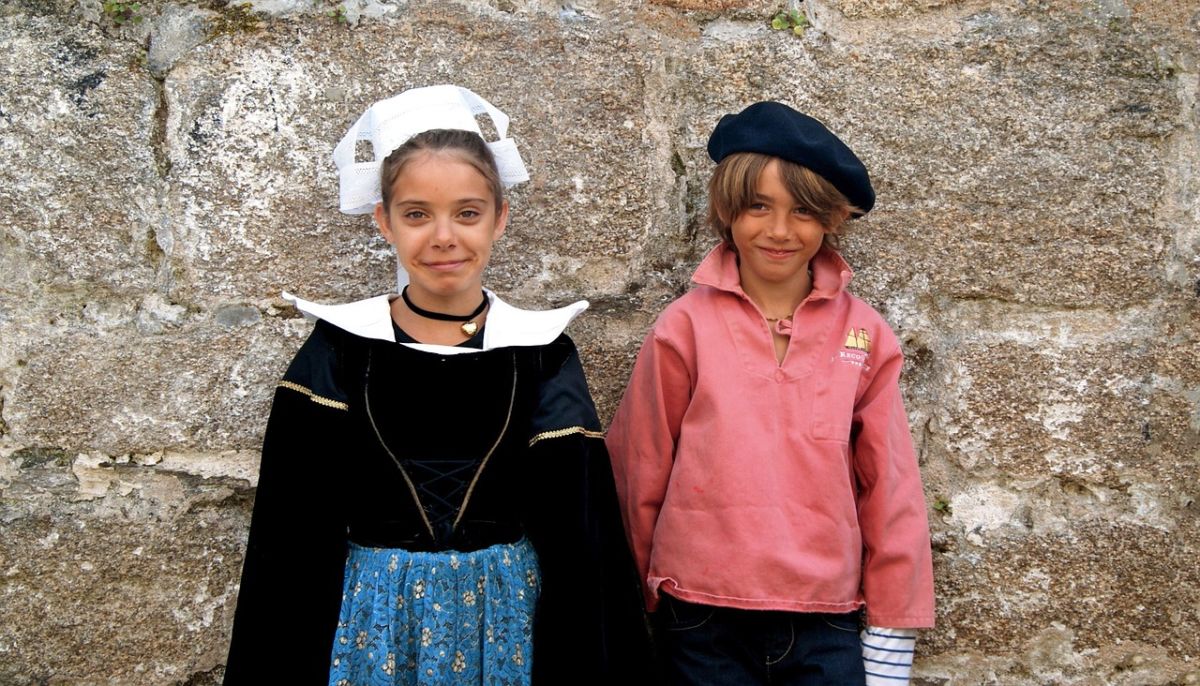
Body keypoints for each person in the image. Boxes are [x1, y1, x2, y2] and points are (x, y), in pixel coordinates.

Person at [224, 85, 652, 685]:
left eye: (468, 212)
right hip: (374, 623)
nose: (443, 236)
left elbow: (581, 535)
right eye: (417, 214)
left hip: (504, 621)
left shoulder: (539, 353)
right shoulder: (341, 350)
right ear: (385, 222)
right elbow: (290, 535)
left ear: (500, 219)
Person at [606, 101, 935, 685]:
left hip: (825, 621)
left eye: (803, 211)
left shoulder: (865, 336)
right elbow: (638, 469)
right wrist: (626, 610)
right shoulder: (684, 328)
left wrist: (891, 629)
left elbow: (891, 487)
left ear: (831, 219)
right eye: (758, 206)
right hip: (700, 616)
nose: (780, 231)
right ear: (729, 210)